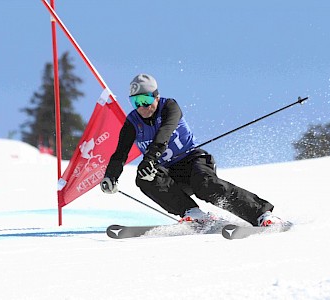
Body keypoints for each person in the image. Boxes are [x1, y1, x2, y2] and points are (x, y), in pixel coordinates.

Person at [100, 74, 286, 227]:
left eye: (146, 100)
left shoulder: (169, 107)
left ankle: (262, 214)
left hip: (193, 161)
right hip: (168, 175)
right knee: (144, 177)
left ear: (156, 96)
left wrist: (149, 159)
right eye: (136, 102)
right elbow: (120, 154)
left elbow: (163, 136)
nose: (142, 107)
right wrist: (111, 176)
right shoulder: (132, 122)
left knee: (205, 185)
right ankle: (194, 213)